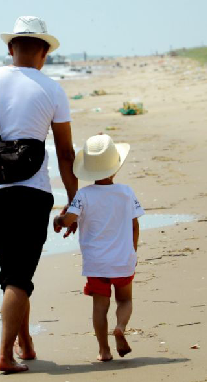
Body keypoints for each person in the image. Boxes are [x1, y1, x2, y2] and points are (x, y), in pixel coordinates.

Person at [0, 16, 77, 373]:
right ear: (45, 53)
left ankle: (25, 341)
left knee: (13, 270)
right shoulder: (52, 90)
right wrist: (74, 200)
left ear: (10, 48)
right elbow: (66, 154)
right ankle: (6, 354)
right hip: (34, 193)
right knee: (20, 276)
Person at [53, 134, 144, 362]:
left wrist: (58, 220)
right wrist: (132, 251)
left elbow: (69, 219)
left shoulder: (83, 195)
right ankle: (120, 327)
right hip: (123, 260)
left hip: (96, 263)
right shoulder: (126, 192)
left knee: (99, 307)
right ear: (115, 168)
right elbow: (135, 225)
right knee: (125, 300)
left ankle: (104, 350)